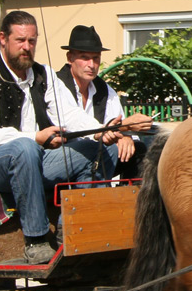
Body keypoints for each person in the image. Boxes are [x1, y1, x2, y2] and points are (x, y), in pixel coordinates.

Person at [0, 11, 151, 264]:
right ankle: (36, 239)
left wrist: (100, 131)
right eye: (20, 40)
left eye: (32, 41)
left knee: (101, 149)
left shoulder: (43, 74)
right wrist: (35, 137)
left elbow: (68, 113)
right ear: (3, 39)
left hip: (38, 158)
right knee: (24, 147)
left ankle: (75, 228)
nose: (27, 47)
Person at [55, 25, 151, 179]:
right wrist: (122, 127)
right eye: (84, 57)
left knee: (137, 149)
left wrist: (125, 136)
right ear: (70, 58)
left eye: (96, 58)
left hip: (100, 157)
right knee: (93, 149)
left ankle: (129, 193)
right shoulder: (55, 84)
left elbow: (117, 125)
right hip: (63, 158)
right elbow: (72, 122)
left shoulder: (105, 90)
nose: (91, 65)